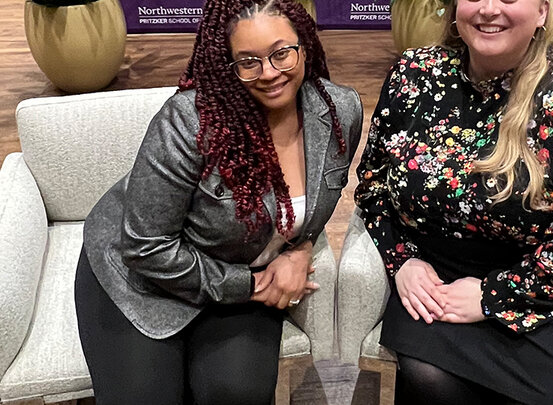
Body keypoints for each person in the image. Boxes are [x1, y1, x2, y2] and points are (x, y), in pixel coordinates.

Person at [74, 1, 362, 404]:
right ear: (225, 63)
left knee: (237, 393)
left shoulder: (338, 110)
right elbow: (145, 247)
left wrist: (301, 249)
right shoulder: (189, 122)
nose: (269, 73)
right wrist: (247, 285)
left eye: (282, 52)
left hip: (242, 271)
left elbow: (316, 204)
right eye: (248, 62)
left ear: (305, 44)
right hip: (144, 277)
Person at [355, 0, 553, 404]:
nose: (488, 8)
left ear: (542, 11)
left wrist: (493, 296)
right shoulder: (413, 74)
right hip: (441, 265)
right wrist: (402, 260)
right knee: (429, 377)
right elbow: (372, 182)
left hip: (552, 276)